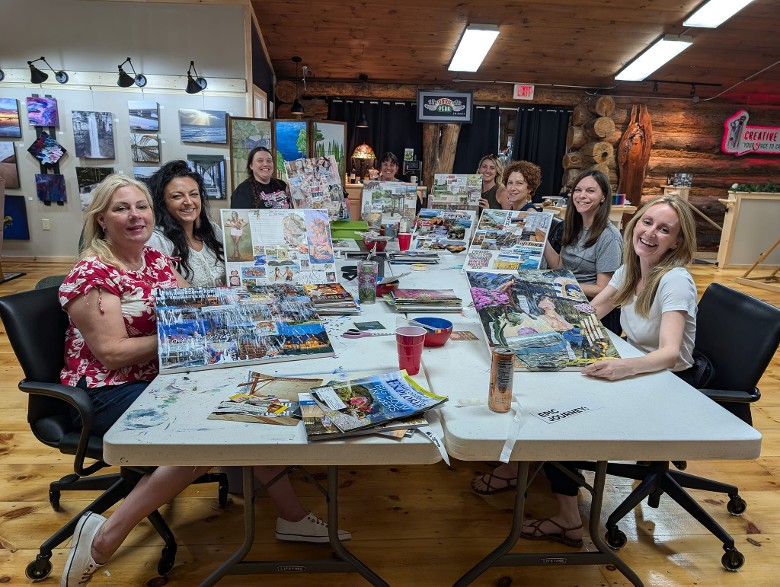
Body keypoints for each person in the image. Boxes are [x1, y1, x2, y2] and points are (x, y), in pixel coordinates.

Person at [60, 175, 349, 587]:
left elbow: (195, 305)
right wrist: (181, 335)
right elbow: (112, 353)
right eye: (121, 208)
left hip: (166, 375)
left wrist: (259, 298)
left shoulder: (154, 260)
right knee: (211, 433)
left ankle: (293, 518)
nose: (135, 215)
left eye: (140, 206)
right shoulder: (93, 271)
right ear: (101, 219)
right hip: (108, 389)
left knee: (255, 398)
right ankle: (103, 539)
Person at [472, 194, 698, 549]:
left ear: (678, 241)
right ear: (635, 223)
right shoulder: (633, 267)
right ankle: (522, 469)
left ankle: (567, 520)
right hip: (637, 367)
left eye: (664, 229)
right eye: (647, 222)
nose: (651, 233)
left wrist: (622, 368)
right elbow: (586, 311)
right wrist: (526, 291)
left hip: (666, 382)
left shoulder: (675, 280)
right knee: (549, 398)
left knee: (558, 421)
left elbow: (669, 354)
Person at [542, 170, 623, 299]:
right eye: (578, 190)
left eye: (590, 191)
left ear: (603, 197)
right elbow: (560, 266)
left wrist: (559, 284)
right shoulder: (575, 225)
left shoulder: (609, 237)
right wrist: (542, 240)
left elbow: (603, 289)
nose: (581, 195)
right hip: (562, 293)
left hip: (585, 302)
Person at [146, 160, 225, 287]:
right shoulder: (158, 240)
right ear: (163, 202)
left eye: (194, 194)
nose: (188, 201)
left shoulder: (213, 231)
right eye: (177, 196)